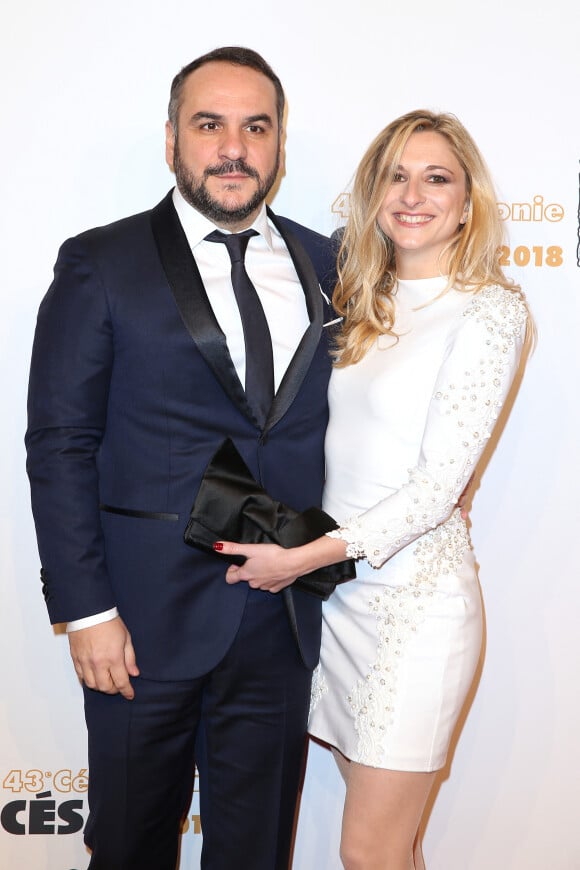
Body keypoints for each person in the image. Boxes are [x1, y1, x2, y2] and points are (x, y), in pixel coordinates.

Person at [25, 46, 340, 870]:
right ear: (172, 140)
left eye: (255, 127)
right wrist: (86, 611)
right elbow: (60, 443)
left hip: (279, 623)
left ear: (278, 144)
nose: (233, 147)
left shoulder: (330, 264)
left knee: (256, 852)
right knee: (129, 846)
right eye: (210, 124)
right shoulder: (101, 263)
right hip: (139, 625)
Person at [215, 109, 532, 869]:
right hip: (341, 603)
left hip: (416, 612)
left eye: (437, 178)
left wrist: (297, 560)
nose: (413, 194)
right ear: (373, 193)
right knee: (394, 851)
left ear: (467, 199)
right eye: (397, 175)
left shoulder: (489, 309)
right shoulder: (360, 308)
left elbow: (433, 489)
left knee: (367, 853)